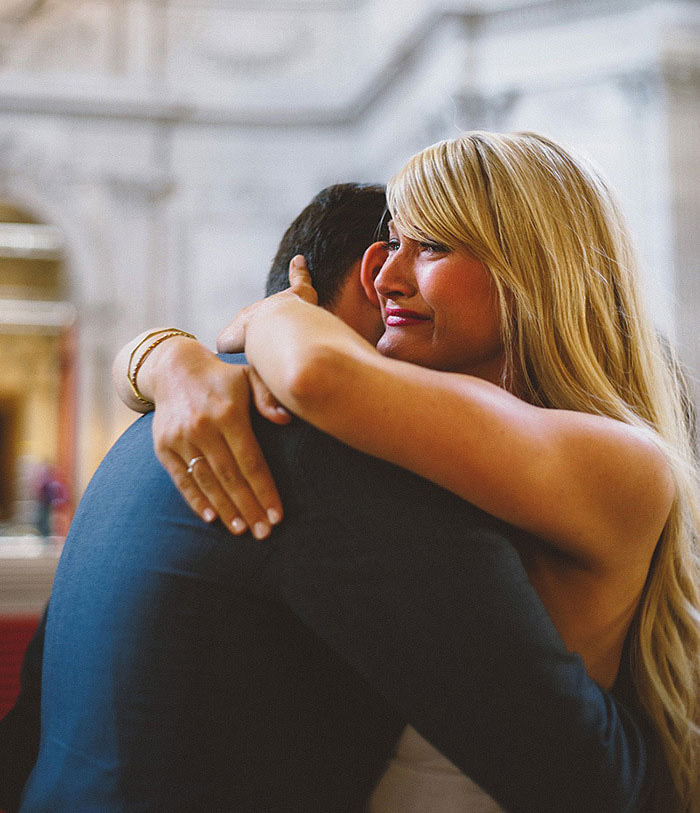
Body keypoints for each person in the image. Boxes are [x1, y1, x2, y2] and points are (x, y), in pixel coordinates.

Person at [17, 183, 653, 813]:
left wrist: (162, 354)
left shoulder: (151, 430)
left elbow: (30, 721)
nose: (398, 284)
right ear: (370, 279)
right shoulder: (346, 454)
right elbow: (582, 777)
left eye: (431, 250)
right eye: (398, 254)